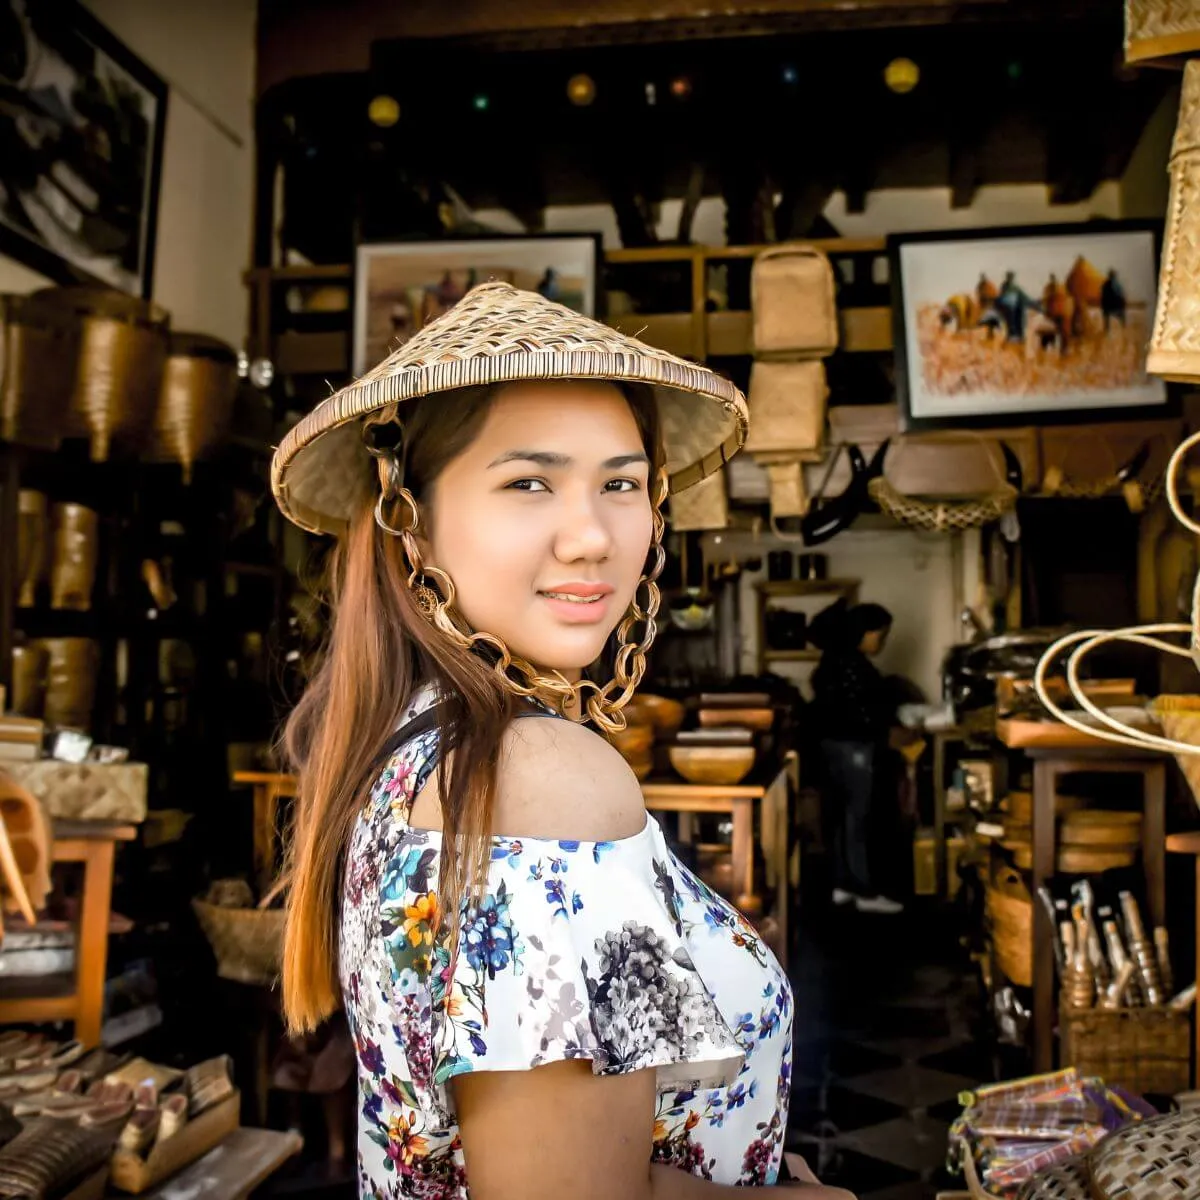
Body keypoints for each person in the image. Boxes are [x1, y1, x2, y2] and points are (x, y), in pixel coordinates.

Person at [272, 282, 854, 1198]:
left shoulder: (409, 745)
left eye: (621, 483)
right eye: (530, 482)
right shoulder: (541, 778)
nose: (592, 537)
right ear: (407, 519)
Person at [810, 601, 903, 916]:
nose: (882, 641)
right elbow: (864, 712)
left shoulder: (833, 659)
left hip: (832, 746)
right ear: (864, 633)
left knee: (839, 817)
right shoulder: (853, 665)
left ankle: (842, 886)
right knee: (857, 820)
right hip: (854, 749)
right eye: (880, 634)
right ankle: (863, 889)